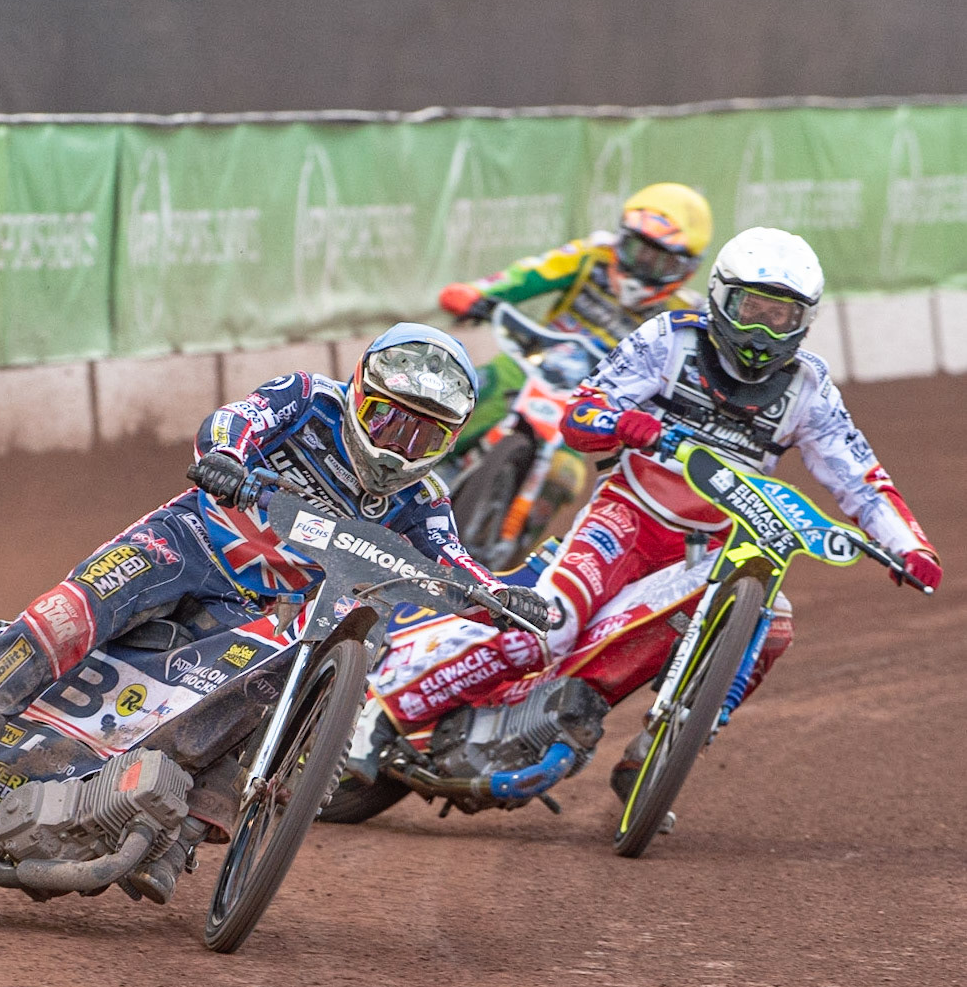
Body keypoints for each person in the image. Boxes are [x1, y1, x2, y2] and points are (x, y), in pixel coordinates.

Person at [0, 323, 553, 896]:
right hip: (187, 540)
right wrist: (227, 455)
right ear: (359, 394)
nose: (401, 442)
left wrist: (498, 598)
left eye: (423, 433)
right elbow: (238, 420)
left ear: (449, 439)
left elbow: (450, 561)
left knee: (272, 691)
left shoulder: (424, 500)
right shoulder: (309, 398)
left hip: (263, 610)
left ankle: (182, 830)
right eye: (389, 419)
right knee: (64, 619)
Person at [379, 226, 942, 800]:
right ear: (721, 297)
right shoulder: (669, 339)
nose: (760, 330)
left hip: (714, 550)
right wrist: (625, 423)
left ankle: (664, 746)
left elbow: (862, 479)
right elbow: (582, 414)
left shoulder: (810, 387)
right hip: (626, 521)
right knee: (548, 628)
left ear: (805, 320)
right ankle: (383, 716)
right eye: (751, 309)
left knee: (772, 625)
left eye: (780, 316)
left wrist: (910, 547)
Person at [438, 183, 714, 451]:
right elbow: (530, 274)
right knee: (476, 387)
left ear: (686, 269)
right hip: (531, 363)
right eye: (637, 251)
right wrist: (476, 293)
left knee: (570, 473)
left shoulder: (684, 314)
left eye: (661, 261)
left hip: (595, 400)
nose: (644, 265)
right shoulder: (593, 254)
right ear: (622, 241)